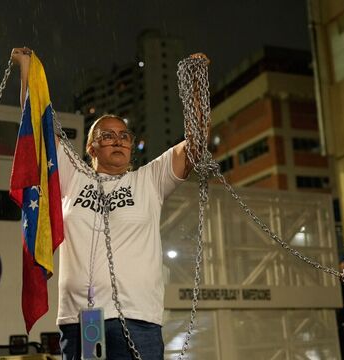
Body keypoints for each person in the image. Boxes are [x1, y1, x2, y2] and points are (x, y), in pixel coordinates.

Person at [11, 48, 207, 359]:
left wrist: (196, 85)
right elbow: (36, 127)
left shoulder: (148, 180)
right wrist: (26, 70)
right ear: (90, 146)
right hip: (79, 320)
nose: (118, 140)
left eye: (124, 136)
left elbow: (195, 145)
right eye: (107, 135)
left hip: (138, 320)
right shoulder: (73, 177)